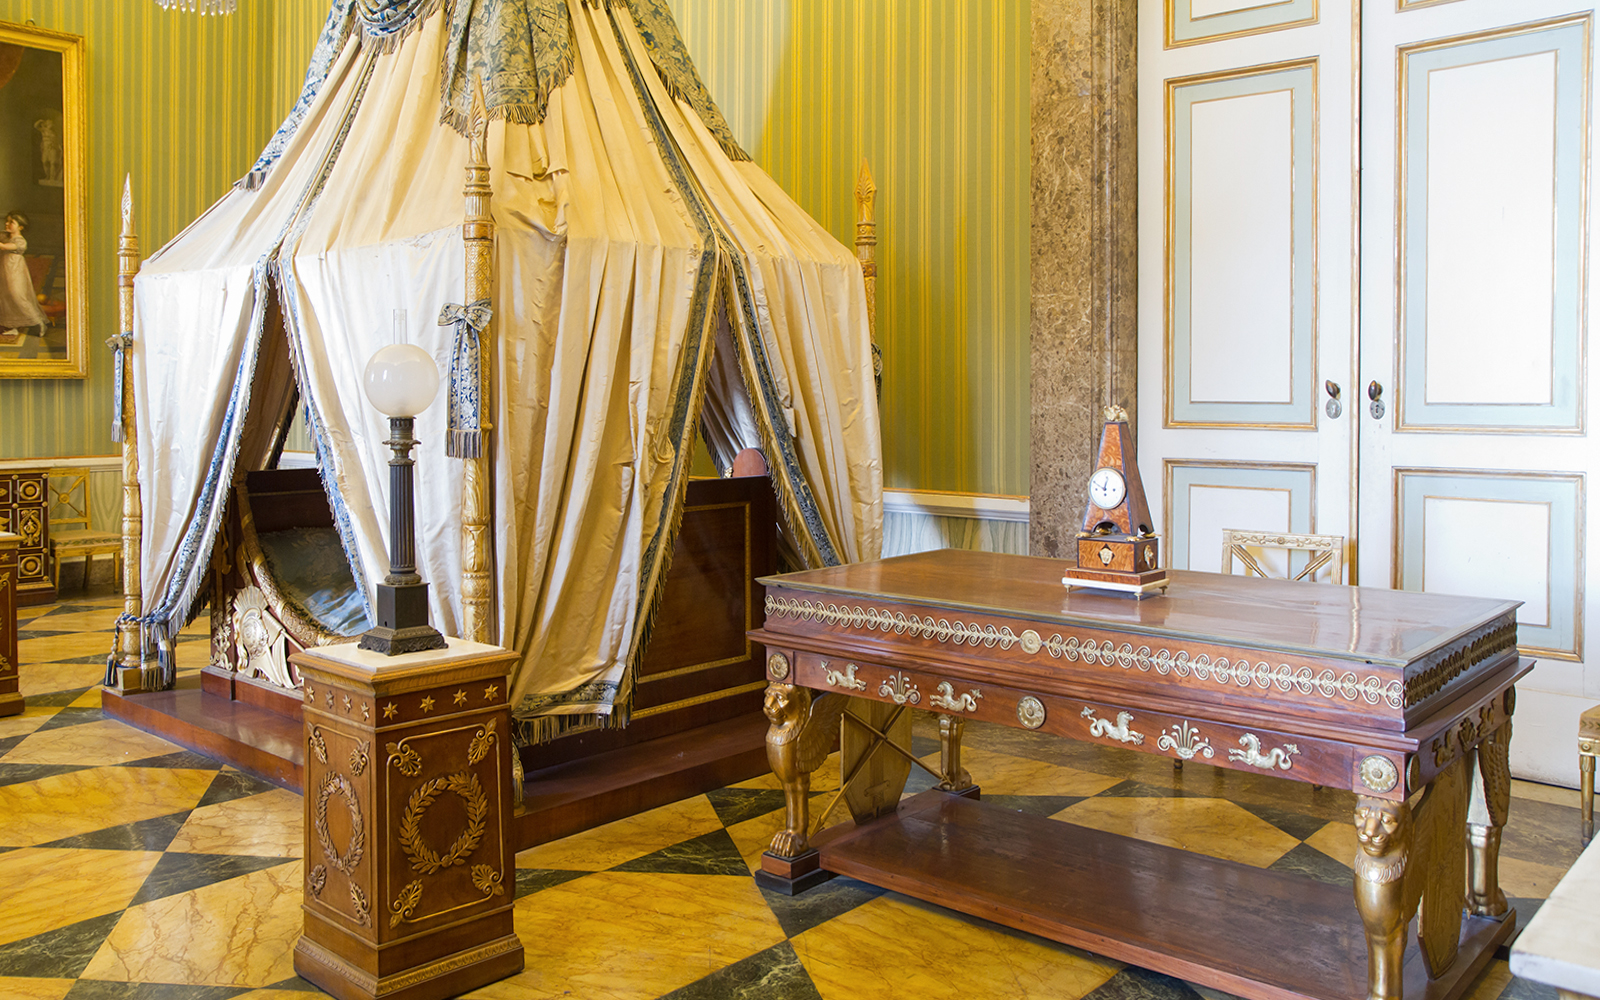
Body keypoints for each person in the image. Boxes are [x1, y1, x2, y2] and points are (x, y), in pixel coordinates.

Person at [0, 212, 49, 336]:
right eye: (7, 221)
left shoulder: (20, 241)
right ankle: (12, 325)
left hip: (15, 272)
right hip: (5, 271)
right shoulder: (6, 236)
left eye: (11, 222)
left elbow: (5, 247)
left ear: (20, 227)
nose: (7, 224)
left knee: (18, 296)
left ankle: (39, 323)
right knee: (6, 297)